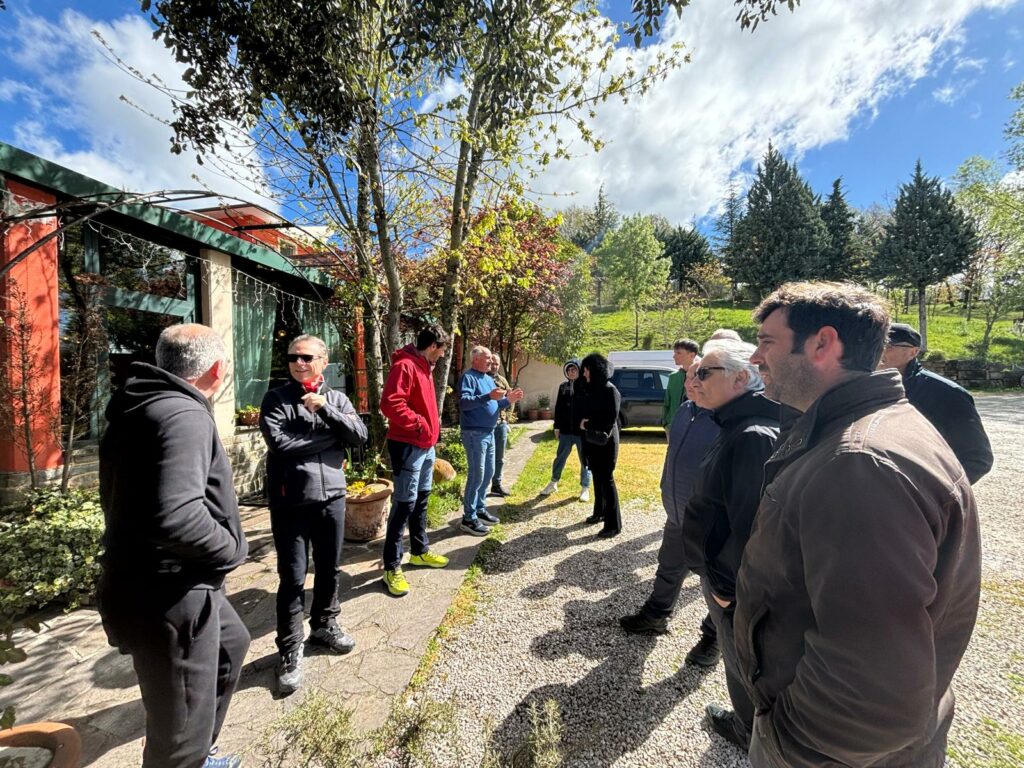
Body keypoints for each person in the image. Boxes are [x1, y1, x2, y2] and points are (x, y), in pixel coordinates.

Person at [738, 282, 980, 768]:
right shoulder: (878, 425)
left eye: (767, 341)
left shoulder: (858, 463)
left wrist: (790, 744)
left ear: (823, 344)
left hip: (829, 752)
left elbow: (872, 684)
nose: (755, 357)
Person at [98, 323, 249, 768]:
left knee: (230, 644)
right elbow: (177, 516)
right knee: (178, 727)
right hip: (169, 593)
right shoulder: (183, 416)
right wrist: (231, 550)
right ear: (216, 370)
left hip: (165, 582)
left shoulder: (141, 406)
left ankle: (198, 750)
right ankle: (188, 756)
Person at [680, 337, 785, 752]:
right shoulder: (734, 424)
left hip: (731, 586)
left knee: (741, 661)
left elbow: (749, 529)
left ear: (742, 378)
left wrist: (725, 589)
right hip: (722, 578)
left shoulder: (752, 435)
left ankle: (749, 732)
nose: (696, 379)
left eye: (705, 372)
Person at [259, 335, 368, 695]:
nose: (298, 362)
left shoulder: (336, 398)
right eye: (293, 357)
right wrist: (330, 438)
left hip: (332, 497)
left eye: (306, 357)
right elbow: (281, 445)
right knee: (291, 577)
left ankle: (324, 625)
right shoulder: (276, 399)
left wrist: (326, 411)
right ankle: (290, 647)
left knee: (328, 568)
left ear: (324, 360)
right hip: (291, 501)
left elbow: (359, 435)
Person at [619, 358, 721, 668]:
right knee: (668, 566)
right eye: (689, 376)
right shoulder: (685, 410)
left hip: (711, 521)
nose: (691, 383)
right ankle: (656, 616)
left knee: (716, 582)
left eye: (699, 377)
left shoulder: (725, 418)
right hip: (678, 512)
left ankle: (714, 638)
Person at [379, 325, 452, 597]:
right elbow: (390, 404)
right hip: (409, 445)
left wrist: (431, 427)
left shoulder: (424, 366)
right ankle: (391, 567)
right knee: (403, 505)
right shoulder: (406, 366)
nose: (443, 355)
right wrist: (421, 424)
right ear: (433, 345)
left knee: (421, 500)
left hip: (425, 446)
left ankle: (419, 552)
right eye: (442, 349)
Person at [879, 322, 993, 483]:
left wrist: (936, 494)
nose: (878, 350)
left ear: (913, 352)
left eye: (888, 345)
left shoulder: (947, 393)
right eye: (875, 344)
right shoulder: (866, 387)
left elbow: (977, 458)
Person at [459, 345, 524, 535]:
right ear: (476, 359)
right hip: (474, 433)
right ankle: (468, 518)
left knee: (489, 472)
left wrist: (508, 400)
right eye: (487, 358)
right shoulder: (468, 377)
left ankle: (479, 508)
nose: (491, 361)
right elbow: (464, 403)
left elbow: (494, 405)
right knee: (477, 474)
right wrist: (487, 396)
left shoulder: (488, 379)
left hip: (489, 431)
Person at [578, 352, 622, 537]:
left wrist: (586, 424)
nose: (584, 373)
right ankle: (599, 513)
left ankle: (613, 525)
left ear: (595, 370)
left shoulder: (609, 390)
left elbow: (609, 420)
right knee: (597, 479)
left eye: (587, 369)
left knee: (606, 480)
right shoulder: (592, 388)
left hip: (605, 442)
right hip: (592, 442)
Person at [540, 359, 592, 501]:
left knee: (585, 461)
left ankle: (585, 488)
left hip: (582, 433)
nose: (571, 372)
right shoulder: (563, 387)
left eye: (574, 369)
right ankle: (553, 482)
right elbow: (559, 408)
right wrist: (556, 427)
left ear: (579, 370)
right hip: (565, 432)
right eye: (569, 370)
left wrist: (588, 424)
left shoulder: (586, 386)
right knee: (560, 458)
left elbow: (590, 407)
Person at [488, 351, 513, 497]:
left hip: (500, 423)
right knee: (486, 458)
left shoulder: (502, 380)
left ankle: (496, 484)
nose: (495, 366)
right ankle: (482, 486)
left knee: (500, 457)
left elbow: (511, 398)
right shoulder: (482, 378)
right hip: (487, 424)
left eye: (497, 364)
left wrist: (507, 418)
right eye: (492, 363)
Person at [661, 338, 699, 429]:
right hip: (672, 425)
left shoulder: (701, 376)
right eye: (674, 353)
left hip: (693, 426)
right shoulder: (673, 377)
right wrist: (665, 422)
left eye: (678, 353)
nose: (674, 356)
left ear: (692, 355)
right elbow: (667, 401)